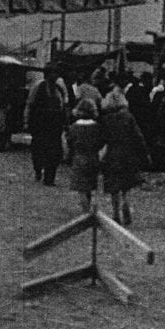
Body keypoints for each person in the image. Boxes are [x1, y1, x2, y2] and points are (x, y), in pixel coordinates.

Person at [99, 88, 149, 226]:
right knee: (126, 184)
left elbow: (102, 138)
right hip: (128, 153)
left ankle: (115, 214)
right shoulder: (129, 117)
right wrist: (144, 154)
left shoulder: (106, 119)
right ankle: (126, 203)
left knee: (113, 187)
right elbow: (138, 136)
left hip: (112, 153)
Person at [24, 65, 67, 186]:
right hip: (40, 124)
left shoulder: (59, 89)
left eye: (56, 73)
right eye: (52, 73)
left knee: (54, 152)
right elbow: (30, 104)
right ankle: (38, 169)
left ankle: (49, 178)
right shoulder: (39, 86)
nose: (55, 76)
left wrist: (65, 122)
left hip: (55, 125)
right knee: (38, 149)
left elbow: (63, 105)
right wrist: (27, 121)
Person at [65, 98, 104, 214]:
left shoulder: (74, 127)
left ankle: (85, 211)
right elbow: (101, 142)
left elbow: (69, 142)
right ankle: (88, 206)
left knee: (81, 187)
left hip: (79, 156)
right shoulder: (97, 127)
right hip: (93, 157)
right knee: (90, 185)